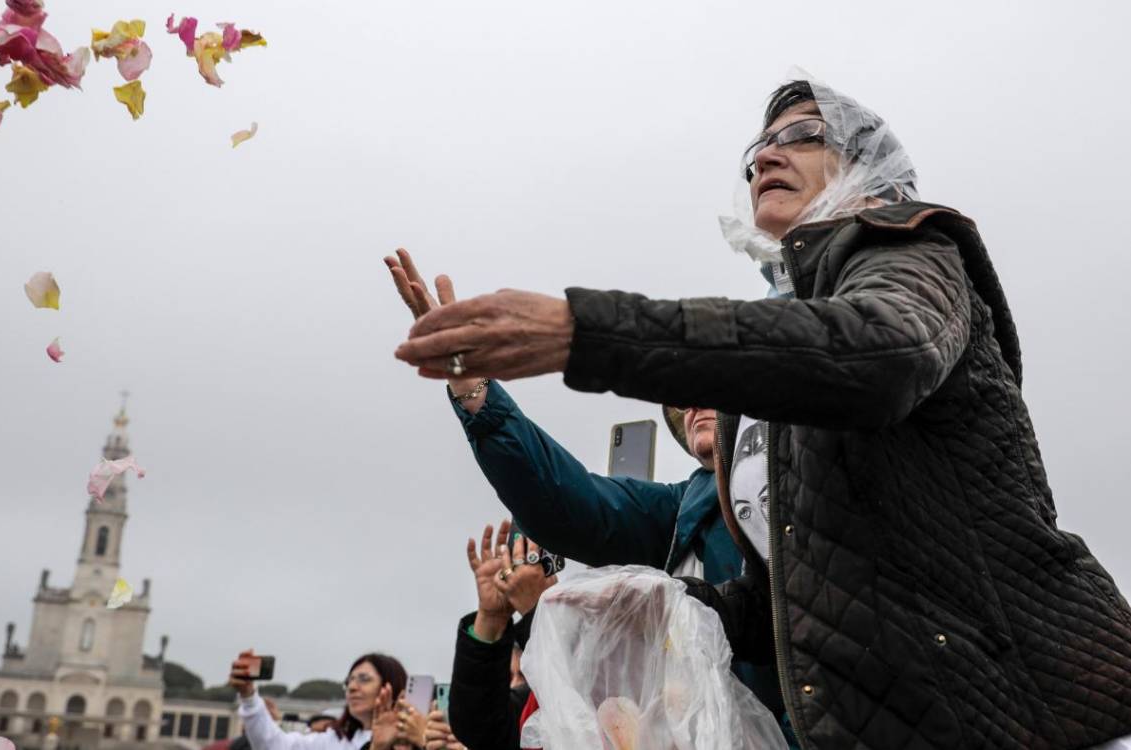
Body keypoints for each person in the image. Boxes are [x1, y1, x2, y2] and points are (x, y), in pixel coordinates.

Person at [392, 76, 1131, 748]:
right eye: (756, 149)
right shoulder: (759, 424)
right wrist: (671, 604)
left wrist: (581, 331)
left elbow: (880, 357)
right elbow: (797, 600)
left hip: (1029, 712)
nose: (764, 158)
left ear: (868, 164)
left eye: (801, 134)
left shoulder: (907, 247)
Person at [383, 249, 794, 743]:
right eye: (680, 396)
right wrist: (472, 386)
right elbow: (565, 500)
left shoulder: (811, 478)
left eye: (711, 385)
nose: (691, 402)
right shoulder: (681, 506)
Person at [445, 522, 553, 750]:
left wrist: (540, 610)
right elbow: (479, 728)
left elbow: (582, 696)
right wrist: (491, 617)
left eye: (524, 673)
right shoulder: (529, 701)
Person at [230, 651, 419, 750]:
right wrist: (249, 697)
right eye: (349, 681)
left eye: (364, 679)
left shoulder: (412, 741)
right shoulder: (332, 741)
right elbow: (273, 746)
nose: (353, 687)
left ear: (389, 686)